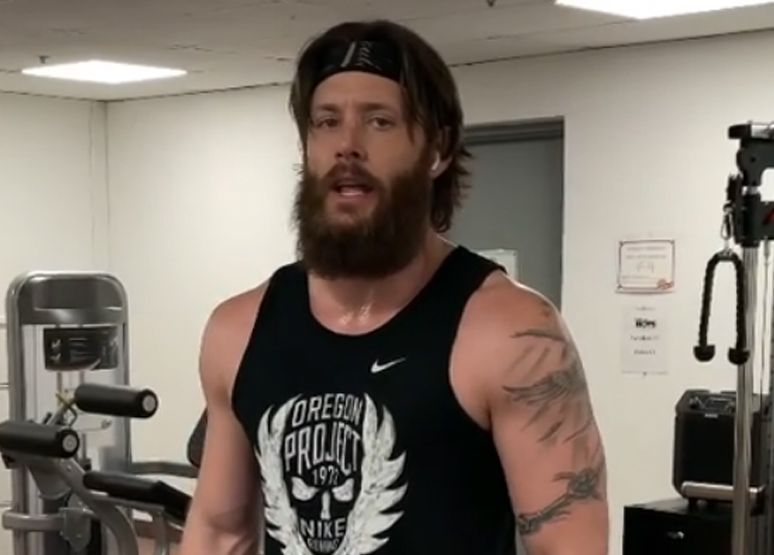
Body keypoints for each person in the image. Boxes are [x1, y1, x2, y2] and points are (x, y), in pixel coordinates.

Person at [177, 18, 609, 555]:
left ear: (437, 150)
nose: (347, 146)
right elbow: (220, 532)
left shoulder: (510, 332)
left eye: (379, 121)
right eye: (327, 122)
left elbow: (569, 547)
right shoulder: (237, 329)